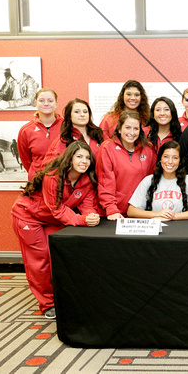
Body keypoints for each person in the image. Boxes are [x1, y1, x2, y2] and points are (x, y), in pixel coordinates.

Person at [11, 141, 100, 319]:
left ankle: (62, 297)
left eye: (88, 158)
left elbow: (87, 206)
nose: (84, 161)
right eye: (79, 156)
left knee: (59, 254)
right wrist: (82, 220)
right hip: (28, 217)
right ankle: (47, 304)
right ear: (70, 158)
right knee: (41, 259)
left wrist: (91, 216)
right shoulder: (53, 176)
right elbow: (57, 209)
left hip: (51, 219)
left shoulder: (87, 180)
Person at [96, 111, 156, 219]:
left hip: (140, 212)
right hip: (115, 213)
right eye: (127, 127)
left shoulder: (148, 149)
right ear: (119, 129)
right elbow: (105, 181)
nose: (132, 132)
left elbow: (152, 179)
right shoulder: (107, 148)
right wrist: (111, 209)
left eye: (136, 129)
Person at [127, 140, 188, 220]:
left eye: (175, 158)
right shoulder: (148, 180)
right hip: (155, 227)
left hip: (181, 228)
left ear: (180, 161)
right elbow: (131, 211)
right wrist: (157, 214)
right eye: (166, 157)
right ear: (160, 158)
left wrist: (171, 216)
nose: (170, 161)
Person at [17, 88, 63, 180]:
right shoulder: (25, 130)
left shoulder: (67, 126)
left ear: (56, 104)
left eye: (50, 100)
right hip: (38, 183)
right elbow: (26, 161)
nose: (46, 104)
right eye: (41, 100)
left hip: (62, 181)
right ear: (35, 103)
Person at [44, 99, 105, 163]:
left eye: (85, 112)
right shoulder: (63, 140)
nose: (82, 114)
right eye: (77, 112)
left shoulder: (99, 135)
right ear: (69, 116)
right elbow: (49, 167)